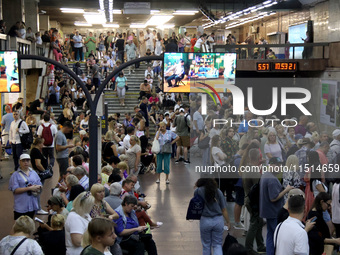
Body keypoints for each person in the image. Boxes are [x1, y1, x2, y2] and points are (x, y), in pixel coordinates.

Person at [259, 157, 293, 255]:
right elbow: (273, 198)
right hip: (274, 212)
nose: (280, 167)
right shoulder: (272, 179)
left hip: (267, 211)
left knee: (270, 235)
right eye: (278, 165)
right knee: (278, 236)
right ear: (272, 165)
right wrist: (286, 190)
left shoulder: (265, 175)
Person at [195, 178, 231, 255]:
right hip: (218, 220)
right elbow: (223, 209)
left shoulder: (198, 191)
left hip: (205, 220)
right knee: (217, 245)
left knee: (206, 245)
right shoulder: (218, 191)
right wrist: (228, 222)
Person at [8, 154, 42, 219]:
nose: (25, 162)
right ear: (20, 162)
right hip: (21, 206)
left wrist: (37, 188)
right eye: (23, 161)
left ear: (30, 162)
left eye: (27, 160)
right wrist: (29, 188)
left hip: (32, 205)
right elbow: (15, 190)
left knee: (30, 224)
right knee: (19, 226)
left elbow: (39, 184)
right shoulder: (15, 175)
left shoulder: (34, 173)